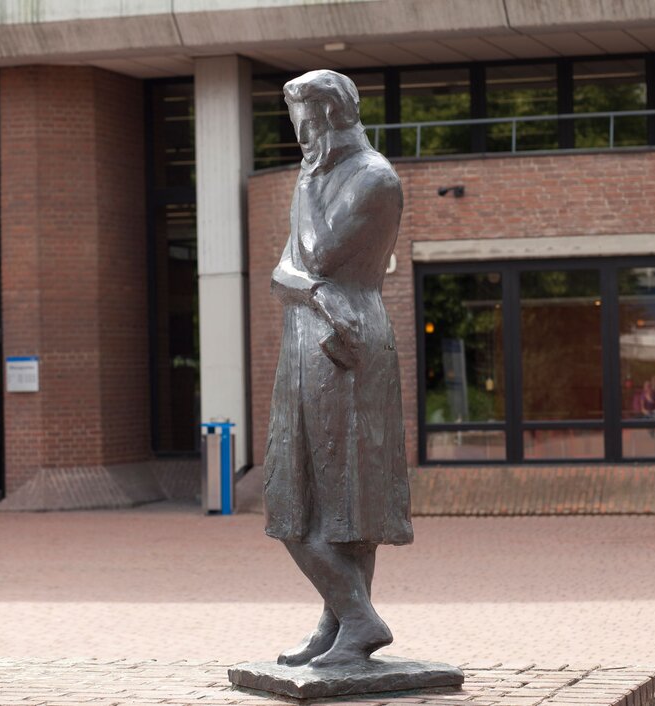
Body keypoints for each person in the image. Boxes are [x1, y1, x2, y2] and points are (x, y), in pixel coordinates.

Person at [263, 70, 412, 668]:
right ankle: (342, 620)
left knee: (334, 497)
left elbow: (317, 252)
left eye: (301, 124)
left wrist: (306, 184)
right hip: (308, 336)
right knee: (302, 489)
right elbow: (282, 274)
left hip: (347, 347)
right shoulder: (320, 174)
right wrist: (315, 294)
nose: (298, 140)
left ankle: (357, 617)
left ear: (325, 116)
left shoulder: (374, 179)